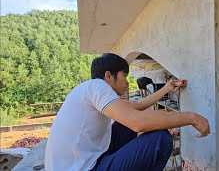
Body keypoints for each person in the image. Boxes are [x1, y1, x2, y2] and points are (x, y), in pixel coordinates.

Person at [45, 53, 210, 171]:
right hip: (85, 167)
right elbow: (138, 122)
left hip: (84, 161)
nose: (126, 81)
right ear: (108, 76)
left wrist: (166, 89)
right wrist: (192, 117)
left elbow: (136, 108)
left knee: (126, 125)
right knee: (160, 139)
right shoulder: (97, 86)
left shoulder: (90, 89)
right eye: (124, 75)